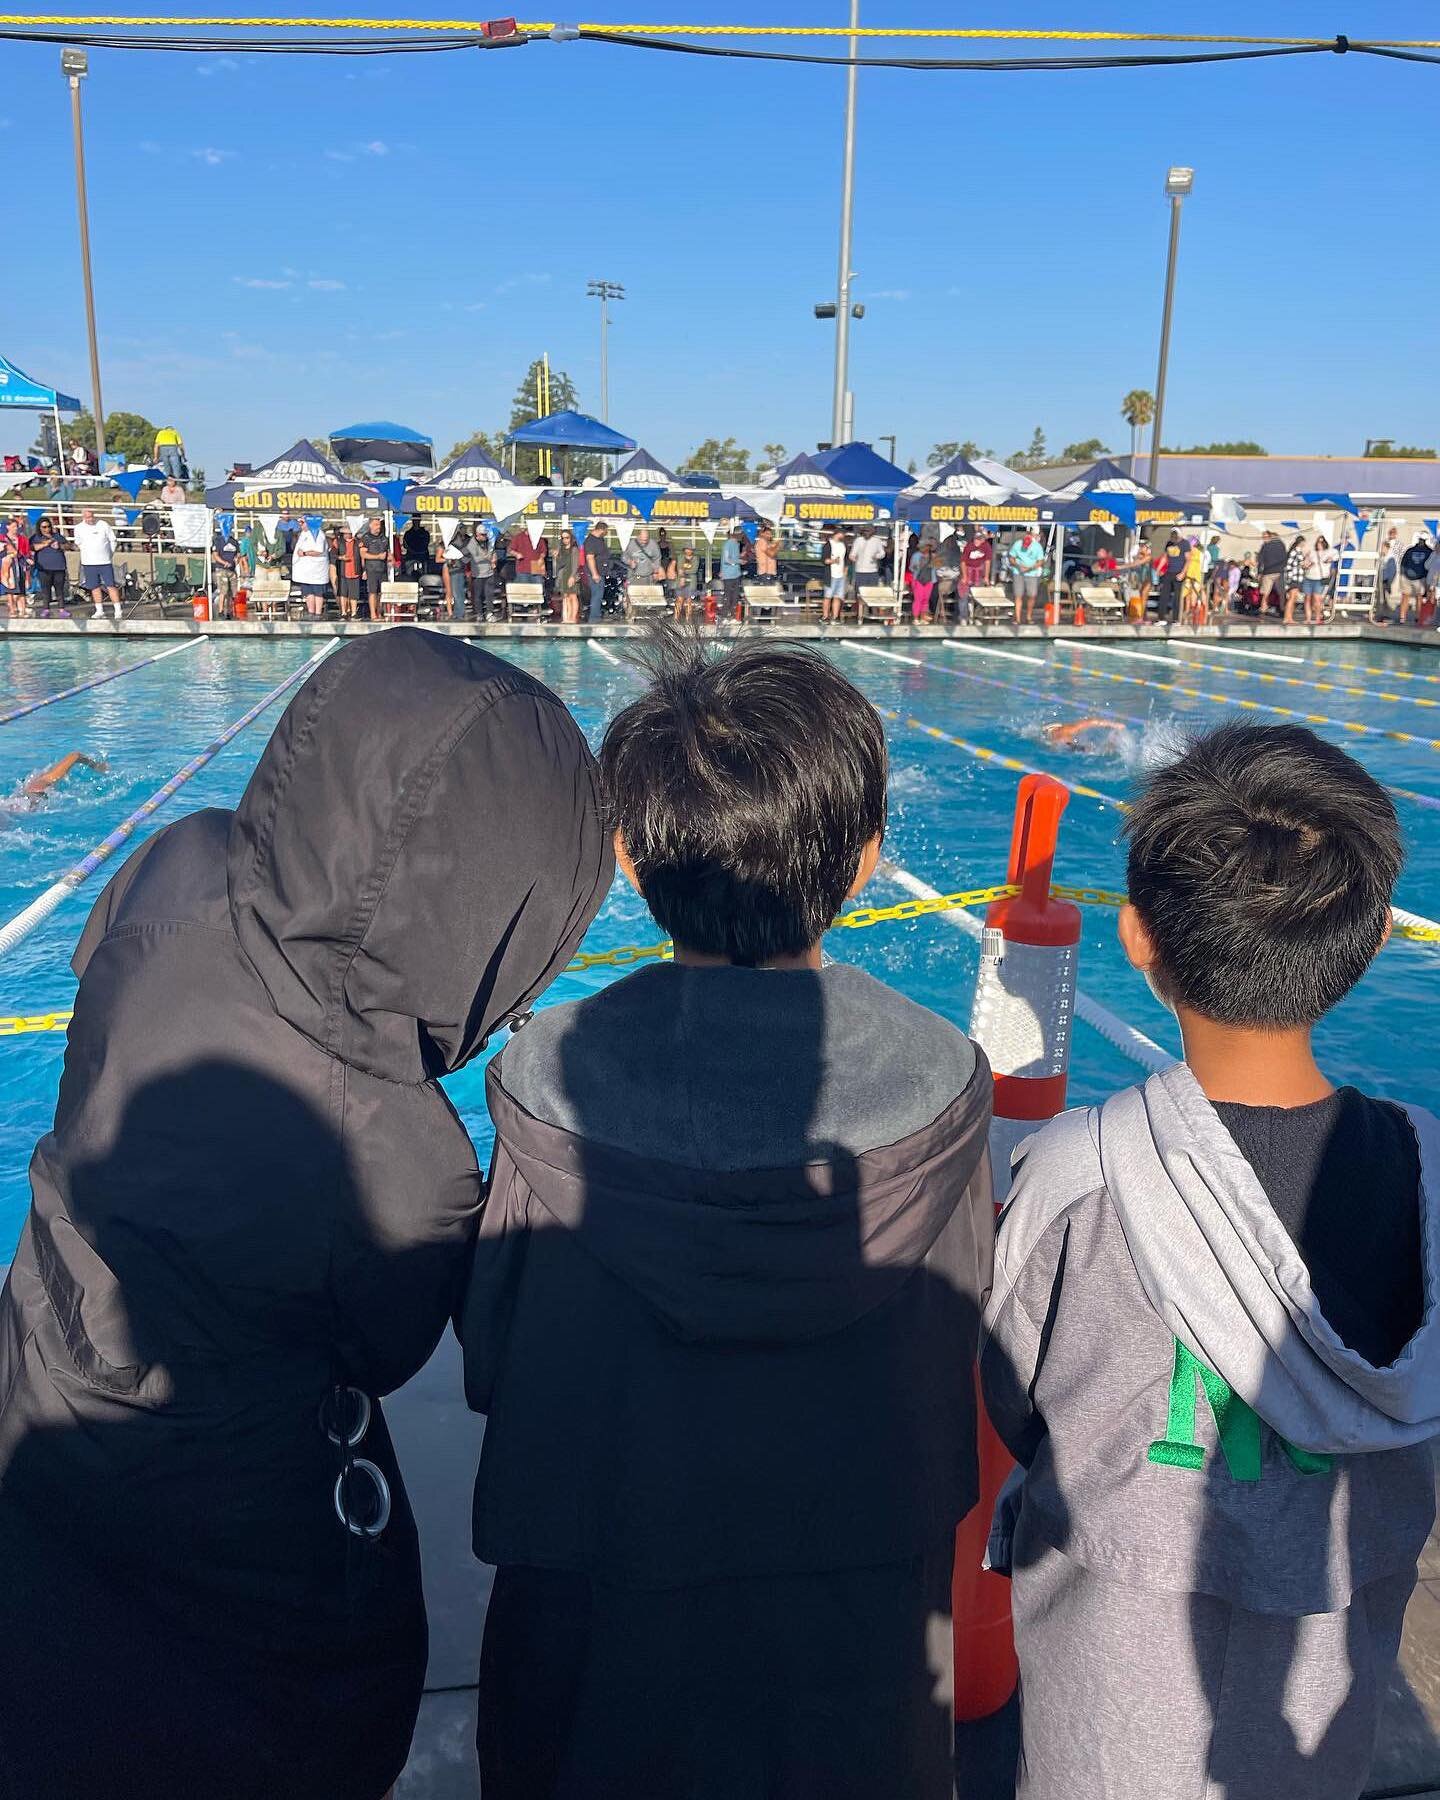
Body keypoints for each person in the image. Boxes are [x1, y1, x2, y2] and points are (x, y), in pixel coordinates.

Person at [0, 630, 612, 1800]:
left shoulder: (176, 867)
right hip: (236, 1565)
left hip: (45, 1398)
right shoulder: (400, 1154)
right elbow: (382, 1347)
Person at [463, 631, 994, 1800]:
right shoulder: (948, 1082)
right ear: (864, 865)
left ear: (630, 859)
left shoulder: (546, 1076)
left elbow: (494, 1351)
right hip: (856, 1646)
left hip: (596, 1631)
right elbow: (960, 1345)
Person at [982, 719, 1440, 1800]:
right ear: (1371, 940)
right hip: (1324, 1694)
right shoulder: (1429, 1171)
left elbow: (1010, 1389)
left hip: (1107, 1696)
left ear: (1136, 938)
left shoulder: (1078, 1172)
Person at [74, 504, 121, 621]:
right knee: (94, 587)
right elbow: (78, 543)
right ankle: (99, 610)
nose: (90, 519)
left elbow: (113, 540)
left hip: (105, 562)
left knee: (111, 585)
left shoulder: (103, 524)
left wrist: (110, 554)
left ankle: (118, 610)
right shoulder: (78, 528)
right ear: (83, 517)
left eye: (91, 516)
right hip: (89, 563)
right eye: (87, 517)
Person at [291, 518, 332, 619]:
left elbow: (319, 551)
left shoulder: (318, 534)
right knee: (308, 592)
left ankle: (318, 613)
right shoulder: (303, 534)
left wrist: (305, 553)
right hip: (306, 571)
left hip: (317, 571)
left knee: (318, 593)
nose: (300, 525)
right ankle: (311, 613)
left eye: (302, 523)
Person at [31, 516, 71, 616]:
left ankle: (62, 609)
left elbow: (69, 546)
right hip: (44, 569)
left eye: (48, 526)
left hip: (59, 567)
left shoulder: (57, 536)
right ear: (39, 528)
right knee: (45, 590)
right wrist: (46, 544)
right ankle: (46, 608)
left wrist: (60, 546)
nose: (47, 529)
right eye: (44, 527)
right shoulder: (35, 537)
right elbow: (32, 548)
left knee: (60, 589)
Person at [1007, 525, 1045, 624]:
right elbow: (1011, 558)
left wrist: (1030, 567)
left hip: (1032, 573)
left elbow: (1040, 561)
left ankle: (1028, 616)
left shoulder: (1037, 546)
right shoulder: (1017, 544)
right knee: (1018, 595)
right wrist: (1018, 565)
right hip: (1018, 573)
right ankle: (1018, 619)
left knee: (1032, 595)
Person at [358, 516, 390, 620]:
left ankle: (379, 612)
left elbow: (388, 552)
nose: (378, 527)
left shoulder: (384, 538)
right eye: (376, 525)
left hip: (383, 569)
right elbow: (363, 554)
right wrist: (378, 557)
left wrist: (390, 558)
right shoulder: (366, 538)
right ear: (370, 525)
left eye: (379, 525)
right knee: (372, 592)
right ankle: (373, 614)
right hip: (371, 568)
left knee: (382, 592)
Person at [468, 523, 498, 622]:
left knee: (489, 594)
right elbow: (475, 558)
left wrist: (494, 558)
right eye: (483, 535)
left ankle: (489, 613)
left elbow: (493, 552)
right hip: (478, 574)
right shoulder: (471, 543)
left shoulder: (488, 542)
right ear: (477, 535)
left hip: (489, 573)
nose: (485, 537)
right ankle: (479, 613)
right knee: (478, 595)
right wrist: (487, 557)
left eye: (486, 535)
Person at [1300, 533, 1332, 626]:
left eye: (1321, 542)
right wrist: (1307, 564)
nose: (1319, 544)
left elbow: (1330, 560)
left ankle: (1318, 617)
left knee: (1317, 598)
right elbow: (1305, 564)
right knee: (1307, 598)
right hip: (1309, 577)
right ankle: (1308, 618)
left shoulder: (1328, 553)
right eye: (1318, 542)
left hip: (1319, 578)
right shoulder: (1311, 553)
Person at [1398, 535, 1430, 625]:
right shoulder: (1410, 550)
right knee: (1405, 596)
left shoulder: (1428, 551)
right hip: (1407, 577)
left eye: (1423, 540)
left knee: (1419, 597)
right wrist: (1402, 574)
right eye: (1420, 540)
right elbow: (1403, 562)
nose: (1421, 542)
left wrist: (1426, 577)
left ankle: (1418, 618)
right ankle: (1402, 617)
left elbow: (1430, 565)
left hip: (1420, 578)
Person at [551, 527, 581, 624]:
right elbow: (560, 564)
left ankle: (573, 617)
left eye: (567, 538)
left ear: (571, 538)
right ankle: (566, 617)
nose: (565, 540)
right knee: (566, 597)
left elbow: (575, 564)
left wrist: (573, 576)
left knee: (573, 596)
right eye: (563, 538)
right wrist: (556, 557)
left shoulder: (574, 549)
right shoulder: (561, 549)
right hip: (563, 575)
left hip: (571, 573)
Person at [333, 523, 362, 620]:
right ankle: (343, 612)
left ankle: (354, 613)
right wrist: (341, 557)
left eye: (348, 533)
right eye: (345, 533)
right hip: (342, 571)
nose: (346, 535)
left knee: (354, 594)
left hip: (355, 571)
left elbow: (362, 556)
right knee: (342, 593)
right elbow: (333, 555)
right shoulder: (338, 542)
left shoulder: (358, 542)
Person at [1256, 527, 1288, 615]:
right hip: (1279, 571)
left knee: (1265, 592)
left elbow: (1260, 560)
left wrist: (1259, 572)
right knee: (1281, 592)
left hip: (1267, 571)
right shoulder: (1281, 544)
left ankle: (1263, 607)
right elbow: (1285, 558)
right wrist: (1283, 568)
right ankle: (1282, 608)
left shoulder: (1265, 545)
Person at [212, 522, 241, 618]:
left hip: (232, 570)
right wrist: (224, 562)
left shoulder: (234, 541)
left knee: (232, 592)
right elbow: (215, 555)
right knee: (223, 591)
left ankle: (229, 611)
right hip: (221, 569)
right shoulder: (218, 541)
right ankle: (220, 611)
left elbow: (238, 554)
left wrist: (237, 559)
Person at [584, 521, 610, 623]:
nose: (606, 532)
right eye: (606, 530)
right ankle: (594, 618)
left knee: (598, 595)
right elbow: (590, 558)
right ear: (602, 529)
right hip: (595, 574)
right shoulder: (591, 541)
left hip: (600, 572)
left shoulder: (600, 540)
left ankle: (596, 615)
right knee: (597, 595)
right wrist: (594, 573)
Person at [960, 526, 993, 605]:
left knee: (979, 594)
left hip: (979, 573)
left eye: (979, 539)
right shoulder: (969, 546)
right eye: (975, 539)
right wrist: (964, 576)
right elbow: (963, 562)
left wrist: (986, 576)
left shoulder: (986, 546)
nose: (976, 541)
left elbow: (987, 562)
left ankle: (977, 612)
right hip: (968, 571)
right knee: (963, 595)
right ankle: (963, 615)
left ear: (983, 540)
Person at [624, 525, 663, 591]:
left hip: (648, 577)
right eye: (642, 540)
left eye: (646, 540)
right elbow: (624, 557)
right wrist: (629, 562)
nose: (644, 542)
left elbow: (657, 558)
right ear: (638, 536)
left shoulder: (653, 544)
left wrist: (656, 572)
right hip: (634, 576)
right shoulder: (632, 544)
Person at [823, 525, 848, 622]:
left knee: (837, 596)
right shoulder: (828, 544)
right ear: (837, 534)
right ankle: (825, 616)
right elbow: (824, 560)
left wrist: (845, 570)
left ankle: (835, 616)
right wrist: (833, 561)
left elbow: (846, 559)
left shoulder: (843, 545)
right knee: (828, 596)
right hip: (831, 574)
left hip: (840, 575)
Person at [908, 536, 937, 622]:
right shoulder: (916, 556)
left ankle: (923, 616)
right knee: (918, 599)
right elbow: (911, 568)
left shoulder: (934, 556)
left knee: (926, 600)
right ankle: (916, 617)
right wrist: (918, 566)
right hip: (918, 580)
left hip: (930, 580)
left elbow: (938, 567)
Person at [669, 542, 699, 621]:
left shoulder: (695, 558)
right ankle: (676, 618)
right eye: (687, 549)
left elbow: (694, 569)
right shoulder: (680, 557)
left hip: (691, 582)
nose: (688, 551)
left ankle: (688, 618)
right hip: (681, 581)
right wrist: (683, 574)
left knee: (689, 600)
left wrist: (684, 571)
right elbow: (679, 568)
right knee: (679, 599)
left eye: (690, 549)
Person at [719, 526, 744, 618]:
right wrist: (739, 561)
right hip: (729, 575)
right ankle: (725, 615)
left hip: (736, 574)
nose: (742, 536)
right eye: (741, 534)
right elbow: (727, 559)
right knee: (728, 596)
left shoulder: (736, 544)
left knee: (735, 597)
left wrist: (741, 556)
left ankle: (733, 615)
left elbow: (733, 558)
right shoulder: (728, 544)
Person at [1282, 533, 1307, 625]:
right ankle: (1286, 617)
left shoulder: (1297, 551)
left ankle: (1289, 617)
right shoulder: (1295, 551)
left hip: (1296, 577)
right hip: (1294, 577)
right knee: (1292, 598)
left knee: (1294, 598)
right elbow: (1290, 565)